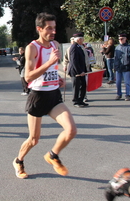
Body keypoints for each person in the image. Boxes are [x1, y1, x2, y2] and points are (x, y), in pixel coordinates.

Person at [13, 12, 77, 179]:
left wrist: (58, 78)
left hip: (53, 95)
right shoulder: (32, 48)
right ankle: (19, 161)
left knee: (71, 130)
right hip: (38, 96)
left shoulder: (55, 44)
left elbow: (52, 70)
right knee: (34, 140)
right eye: (49, 28)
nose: (53, 32)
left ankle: (52, 155)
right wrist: (48, 63)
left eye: (54, 28)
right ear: (39, 29)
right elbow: (28, 77)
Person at [67, 32, 89, 108]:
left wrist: (85, 71)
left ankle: (81, 100)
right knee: (76, 86)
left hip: (82, 70)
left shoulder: (79, 47)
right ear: (79, 39)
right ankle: (76, 101)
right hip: (76, 71)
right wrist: (79, 71)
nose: (83, 40)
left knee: (83, 86)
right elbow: (74, 61)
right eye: (82, 39)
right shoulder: (74, 47)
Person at [114, 34, 130, 101]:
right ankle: (119, 94)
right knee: (118, 82)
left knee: (127, 82)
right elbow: (115, 58)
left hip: (126, 67)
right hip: (119, 67)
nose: (120, 40)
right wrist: (115, 66)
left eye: (122, 39)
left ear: (125, 39)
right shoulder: (117, 47)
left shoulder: (129, 47)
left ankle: (127, 95)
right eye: (119, 39)